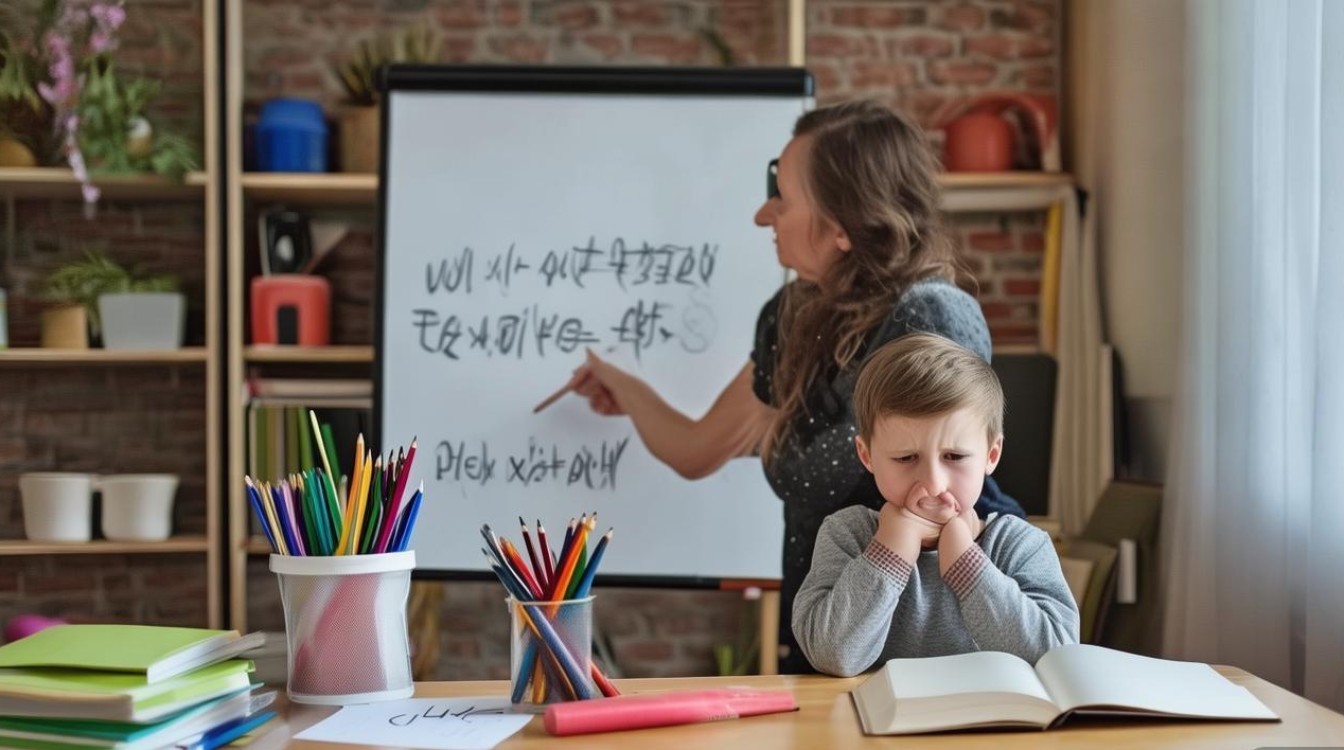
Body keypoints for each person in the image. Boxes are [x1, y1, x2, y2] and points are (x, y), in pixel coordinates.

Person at [569, 99, 1025, 673]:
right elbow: (697, 449)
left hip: (927, 643)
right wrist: (622, 387)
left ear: (838, 226)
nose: (764, 215)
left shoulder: (929, 314)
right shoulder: (789, 313)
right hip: (829, 631)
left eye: (781, 195)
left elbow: (900, 489)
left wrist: (772, 435)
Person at [791, 333, 1078, 677]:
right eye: (906, 458)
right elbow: (831, 656)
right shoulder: (847, 534)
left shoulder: (1019, 545)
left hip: (991, 727)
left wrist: (968, 566)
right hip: (877, 727)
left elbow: (1057, 659)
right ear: (867, 456)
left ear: (991, 455)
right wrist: (889, 554)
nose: (933, 484)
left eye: (954, 457)